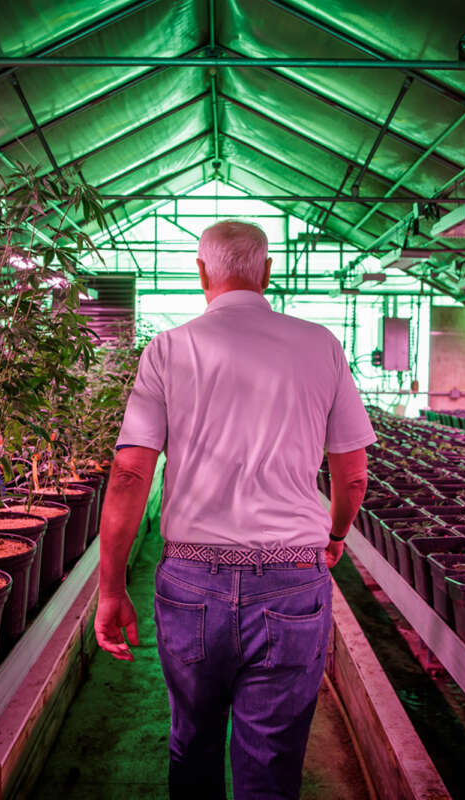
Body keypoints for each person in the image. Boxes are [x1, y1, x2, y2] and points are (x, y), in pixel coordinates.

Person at [94, 219, 374, 800]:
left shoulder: (169, 349)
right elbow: (352, 473)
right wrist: (338, 534)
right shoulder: (320, 345)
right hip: (293, 579)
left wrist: (112, 587)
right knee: (271, 761)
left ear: (202, 273)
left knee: (191, 742)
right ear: (266, 272)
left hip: (192, 580)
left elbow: (129, 474)